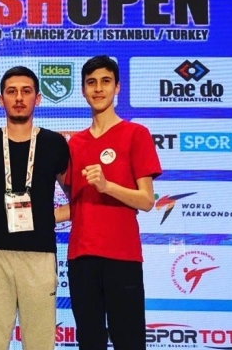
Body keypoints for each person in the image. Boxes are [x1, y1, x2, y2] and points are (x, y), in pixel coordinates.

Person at [64, 56, 162, 350]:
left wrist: (108, 186)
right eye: (91, 83)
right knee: (89, 342)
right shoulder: (75, 144)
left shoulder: (136, 134)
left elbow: (146, 200)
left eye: (105, 82)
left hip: (122, 256)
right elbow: (77, 206)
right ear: (83, 90)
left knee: (129, 341)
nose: (98, 89)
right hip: (81, 257)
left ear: (117, 87)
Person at [0, 66, 70, 350]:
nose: (18, 98)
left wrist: (49, 217)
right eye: (11, 91)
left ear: (37, 98)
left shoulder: (54, 143)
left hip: (40, 255)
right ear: (0, 99)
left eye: (26, 91)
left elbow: (77, 197)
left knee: (39, 343)